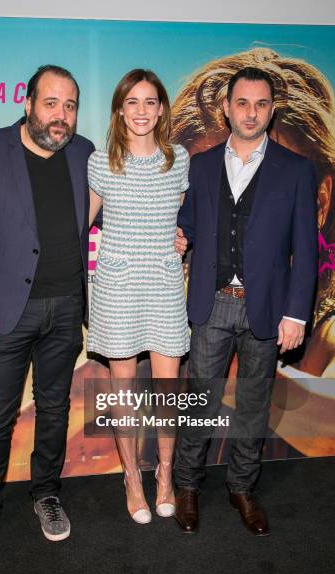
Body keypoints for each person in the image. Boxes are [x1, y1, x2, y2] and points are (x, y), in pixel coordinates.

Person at [0, 65, 94, 567]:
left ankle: (46, 494)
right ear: (28, 102)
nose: (61, 116)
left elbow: (118, 207)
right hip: (6, 311)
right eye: (51, 103)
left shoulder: (84, 153)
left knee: (54, 409)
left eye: (70, 106)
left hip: (67, 307)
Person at [174, 67, 317, 536]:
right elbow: (191, 224)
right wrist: (181, 236)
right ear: (227, 108)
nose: (250, 112)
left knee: (254, 404)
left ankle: (241, 488)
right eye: (242, 103)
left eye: (260, 104)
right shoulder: (200, 164)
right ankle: (188, 487)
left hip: (268, 308)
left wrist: (296, 313)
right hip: (210, 303)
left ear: (271, 110)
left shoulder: (296, 171)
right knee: (201, 400)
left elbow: (306, 247)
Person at [87, 69, 190, 524]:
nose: (142, 110)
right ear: (119, 109)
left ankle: (165, 474)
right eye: (132, 102)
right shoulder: (99, 162)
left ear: (162, 108)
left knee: (168, 393)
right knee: (124, 391)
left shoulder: (179, 159)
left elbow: (181, 218)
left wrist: (180, 239)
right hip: (117, 287)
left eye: (150, 101)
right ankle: (132, 477)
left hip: (165, 284)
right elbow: (81, 223)